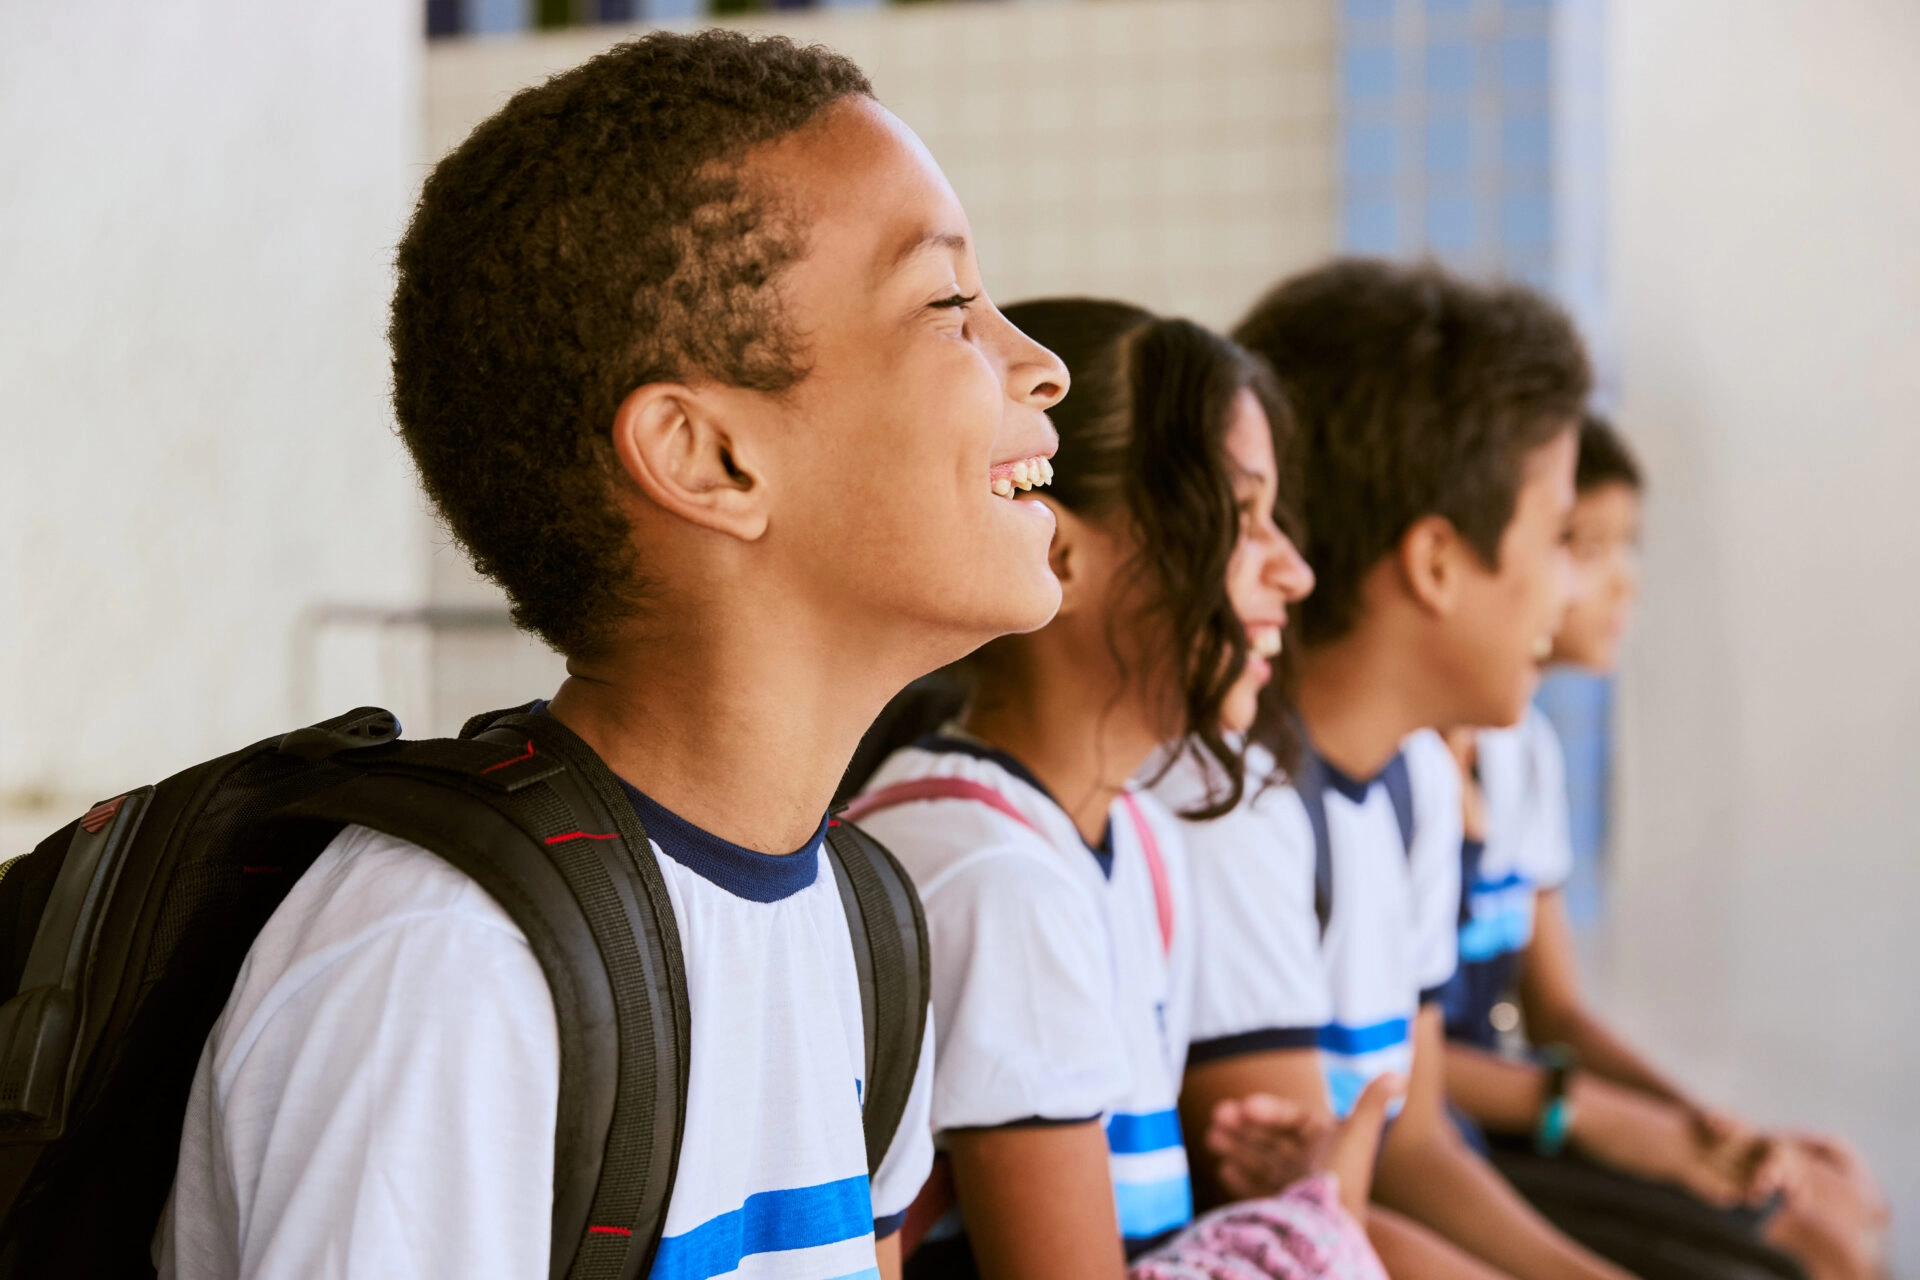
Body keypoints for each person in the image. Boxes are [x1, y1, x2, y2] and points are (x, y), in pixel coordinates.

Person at [158, 31, 1074, 1280]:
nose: (1040, 366)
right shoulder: (446, 970)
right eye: (948, 306)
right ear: (708, 457)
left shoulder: (862, 921)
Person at [848, 298, 1394, 1280]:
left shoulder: (1135, 835)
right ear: (1060, 549)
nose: (1294, 571)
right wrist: (1313, 1216)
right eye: (1240, 518)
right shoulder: (999, 881)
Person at [1169, 258, 1636, 1280]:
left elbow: (1413, 1147)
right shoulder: (1228, 804)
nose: (1567, 587)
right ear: (1435, 562)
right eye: (1559, 537)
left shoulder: (1415, 782)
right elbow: (1307, 1226)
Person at [1441, 413, 1891, 1280]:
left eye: (1625, 548)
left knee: (1836, 1202)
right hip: (1465, 1139)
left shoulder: (1523, 752)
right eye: (1582, 546)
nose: (1619, 583)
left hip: (1518, 1119)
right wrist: (1596, 1114)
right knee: (1805, 1248)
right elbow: (1393, 1078)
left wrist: (1705, 1128)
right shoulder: (1394, 771)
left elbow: (1557, 1013)